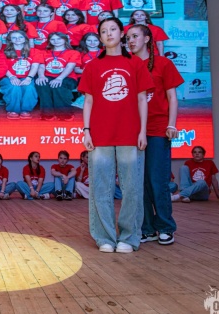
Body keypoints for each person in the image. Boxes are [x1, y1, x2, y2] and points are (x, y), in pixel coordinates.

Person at [78, 17, 154, 253]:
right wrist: (86, 131)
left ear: (122, 34)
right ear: (100, 38)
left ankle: (129, 238)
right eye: (103, 31)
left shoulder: (135, 64)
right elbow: (88, 101)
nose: (108, 34)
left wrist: (142, 131)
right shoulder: (93, 66)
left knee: (132, 188)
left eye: (113, 29)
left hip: (130, 134)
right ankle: (105, 237)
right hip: (100, 135)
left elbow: (142, 99)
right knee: (100, 188)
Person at [127, 24, 184, 246]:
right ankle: (147, 228)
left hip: (158, 129)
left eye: (135, 36)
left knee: (156, 180)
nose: (130, 41)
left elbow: (172, 98)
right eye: (128, 38)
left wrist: (171, 124)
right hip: (133, 132)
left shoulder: (163, 63)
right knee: (138, 183)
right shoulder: (127, 65)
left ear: (147, 39)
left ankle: (165, 227)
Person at [35, 32, 81, 121]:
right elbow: (41, 66)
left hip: (68, 77)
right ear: (49, 41)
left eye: (59, 39)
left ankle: (64, 113)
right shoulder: (44, 52)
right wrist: (41, 76)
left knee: (59, 85)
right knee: (42, 84)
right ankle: (47, 113)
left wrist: (59, 78)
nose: (56, 41)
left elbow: (70, 67)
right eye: (53, 39)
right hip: (48, 76)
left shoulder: (73, 52)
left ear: (65, 39)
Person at [0, 30, 41, 119]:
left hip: (27, 77)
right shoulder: (4, 52)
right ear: (10, 40)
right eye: (14, 37)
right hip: (8, 77)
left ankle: (25, 110)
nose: (17, 39)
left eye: (20, 37)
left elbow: (35, 66)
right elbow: (3, 67)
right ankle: (13, 110)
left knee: (29, 87)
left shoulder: (35, 51)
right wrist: (12, 77)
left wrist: (29, 78)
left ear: (25, 39)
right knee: (14, 87)